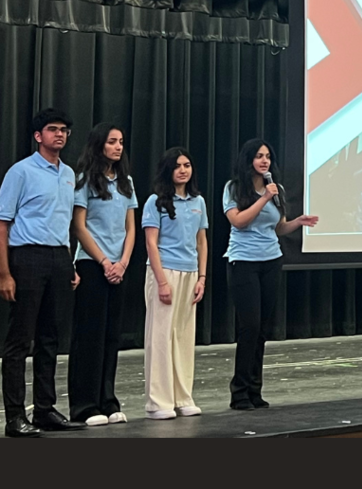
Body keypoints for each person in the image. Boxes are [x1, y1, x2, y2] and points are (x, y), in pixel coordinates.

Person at [0, 108, 86, 437]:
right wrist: (5, 273)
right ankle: (14, 417)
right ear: (39, 136)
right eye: (53, 129)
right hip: (27, 257)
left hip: (58, 257)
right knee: (20, 339)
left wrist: (70, 263)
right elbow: (3, 224)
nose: (60, 135)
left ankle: (45, 410)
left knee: (50, 339)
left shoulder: (68, 174)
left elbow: (65, 223)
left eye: (64, 130)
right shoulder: (21, 172)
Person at [223, 138, 318, 409]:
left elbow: (277, 228)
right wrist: (264, 197)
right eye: (258, 156)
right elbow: (239, 221)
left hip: (271, 261)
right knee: (249, 327)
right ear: (248, 160)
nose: (264, 161)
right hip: (243, 262)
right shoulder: (233, 188)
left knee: (263, 329)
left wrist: (297, 223)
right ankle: (239, 392)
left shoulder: (277, 189)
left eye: (267, 156)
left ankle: (255, 390)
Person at [67, 123, 138, 426]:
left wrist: (122, 263)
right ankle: (85, 406)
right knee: (89, 337)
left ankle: (108, 400)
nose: (118, 147)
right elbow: (79, 226)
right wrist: (105, 262)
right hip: (92, 265)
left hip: (118, 268)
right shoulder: (84, 181)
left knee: (111, 336)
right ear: (99, 145)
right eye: (112, 142)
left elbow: (131, 227)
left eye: (121, 142)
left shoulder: (126, 182)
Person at [141, 148, 209, 419]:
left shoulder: (198, 202)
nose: (183, 170)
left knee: (182, 336)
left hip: (190, 273)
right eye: (178, 165)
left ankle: (182, 397)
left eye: (187, 165)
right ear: (168, 170)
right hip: (164, 272)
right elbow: (151, 243)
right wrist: (162, 282)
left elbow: (202, 241)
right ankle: (158, 402)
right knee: (160, 337)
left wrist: (202, 277)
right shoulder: (155, 201)